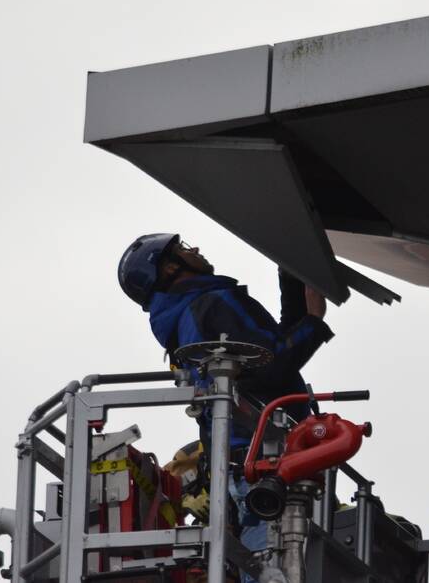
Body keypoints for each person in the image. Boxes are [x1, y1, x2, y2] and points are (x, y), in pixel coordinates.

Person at [118, 233, 334, 582]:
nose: (195, 250)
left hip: (246, 464)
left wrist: (292, 277)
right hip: (264, 463)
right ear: (170, 267)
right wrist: (313, 320)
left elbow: (266, 352)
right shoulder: (211, 303)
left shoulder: (188, 314)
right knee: (277, 567)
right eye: (183, 249)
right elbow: (273, 366)